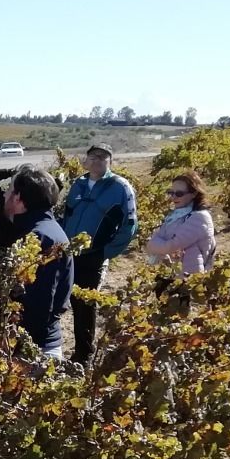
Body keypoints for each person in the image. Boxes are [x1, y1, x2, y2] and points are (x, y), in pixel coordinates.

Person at [60, 143, 137, 365]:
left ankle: (83, 355)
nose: (97, 160)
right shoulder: (78, 184)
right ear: (86, 161)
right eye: (93, 156)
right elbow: (67, 215)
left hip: (93, 255)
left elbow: (130, 225)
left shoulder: (121, 187)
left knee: (85, 304)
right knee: (70, 300)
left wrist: (106, 252)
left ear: (110, 162)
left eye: (103, 157)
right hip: (70, 253)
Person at [0, 168, 74, 358]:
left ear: (18, 198)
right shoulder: (47, 229)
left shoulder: (39, 239)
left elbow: (40, 304)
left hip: (34, 351)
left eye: (9, 189)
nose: (5, 194)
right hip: (36, 344)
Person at [145, 171, 217, 276]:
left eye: (179, 194)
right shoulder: (176, 215)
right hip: (173, 273)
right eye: (171, 193)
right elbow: (161, 240)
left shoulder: (199, 217)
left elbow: (171, 246)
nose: (173, 197)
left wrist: (152, 244)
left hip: (189, 276)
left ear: (194, 193)